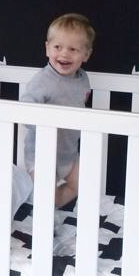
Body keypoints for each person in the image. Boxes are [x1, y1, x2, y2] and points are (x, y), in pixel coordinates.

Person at [20, 13, 94, 207]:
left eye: (73, 49)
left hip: (68, 152)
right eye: (57, 47)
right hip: (42, 152)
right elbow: (25, 110)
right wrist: (44, 118)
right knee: (46, 193)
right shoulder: (43, 81)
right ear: (47, 49)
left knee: (79, 184)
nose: (64, 54)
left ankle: (45, 205)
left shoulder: (83, 79)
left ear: (86, 54)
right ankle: (43, 213)